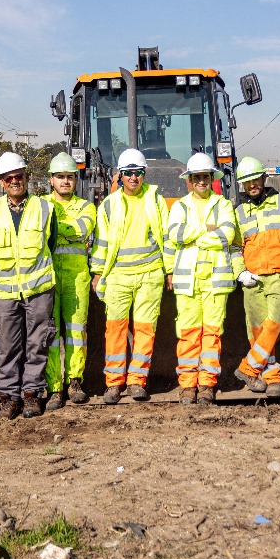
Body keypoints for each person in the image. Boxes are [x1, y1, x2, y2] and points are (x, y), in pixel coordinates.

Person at [90, 148, 173, 404]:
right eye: (128, 173)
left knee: (145, 329)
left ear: (143, 174)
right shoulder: (108, 205)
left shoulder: (156, 199)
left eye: (137, 173)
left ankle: (137, 381)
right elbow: (102, 242)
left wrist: (168, 269)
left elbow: (167, 238)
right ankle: (113, 384)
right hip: (117, 276)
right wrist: (97, 273)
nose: (133, 178)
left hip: (149, 274)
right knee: (115, 329)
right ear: (120, 175)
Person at [0, 152, 57, 419]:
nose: (15, 181)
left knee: (37, 343)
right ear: (1, 181)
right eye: (9, 178)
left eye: (19, 176)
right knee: (8, 345)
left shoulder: (45, 208)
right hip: (6, 292)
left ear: (27, 177)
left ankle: (32, 395)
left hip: (38, 290)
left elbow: (52, 242)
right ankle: (9, 397)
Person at [229, 157, 280, 398]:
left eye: (255, 179)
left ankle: (248, 367)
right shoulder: (239, 212)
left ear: (264, 178)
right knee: (257, 330)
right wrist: (240, 272)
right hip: (252, 278)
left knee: (277, 323)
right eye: (246, 181)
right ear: (242, 184)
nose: (251, 184)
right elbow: (234, 247)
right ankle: (271, 378)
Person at [164, 153, 239, 405]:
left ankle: (206, 384)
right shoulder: (180, 206)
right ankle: (187, 385)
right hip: (188, 281)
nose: (202, 181)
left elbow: (226, 235)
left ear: (211, 178)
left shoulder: (224, 204)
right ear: (190, 180)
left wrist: (192, 236)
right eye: (197, 177)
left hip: (216, 281)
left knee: (212, 334)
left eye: (205, 177)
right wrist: (207, 229)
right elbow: (175, 233)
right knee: (188, 333)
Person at [45, 152, 97, 411]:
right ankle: (54, 387)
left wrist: (54, 228)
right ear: (51, 180)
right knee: (51, 335)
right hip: (47, 278)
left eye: (70, 177)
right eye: (60, 177)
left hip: (77, 278)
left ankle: (74, 381)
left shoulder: (87, 207)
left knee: (77, 334)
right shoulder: (41, 204)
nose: (65, 181)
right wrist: (66, 230)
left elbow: (81, 230)